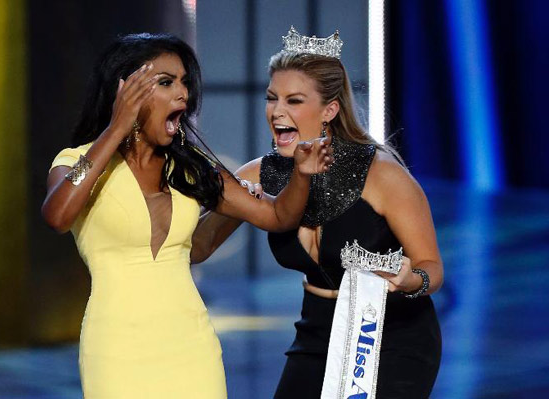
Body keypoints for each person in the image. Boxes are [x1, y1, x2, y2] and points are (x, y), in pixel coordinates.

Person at [41, 33, 332, 398]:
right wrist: (115, 129)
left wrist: (303, 174)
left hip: (191, 347)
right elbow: (58, 214)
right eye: (166, 83)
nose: (183, 94)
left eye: (185, 83)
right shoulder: (76, 162)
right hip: (114, 348)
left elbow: (276, 217)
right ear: (124, 91)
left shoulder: (191, 170)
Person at [192, 27, 443, 398]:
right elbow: (197, 247)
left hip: (391, 336)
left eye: (294, 101)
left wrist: (412, 281)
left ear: (329, 110)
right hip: (315, 332)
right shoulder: (257, 175)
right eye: (272, 98)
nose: (277, 111)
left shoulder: (383, 176)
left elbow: (431, 268)